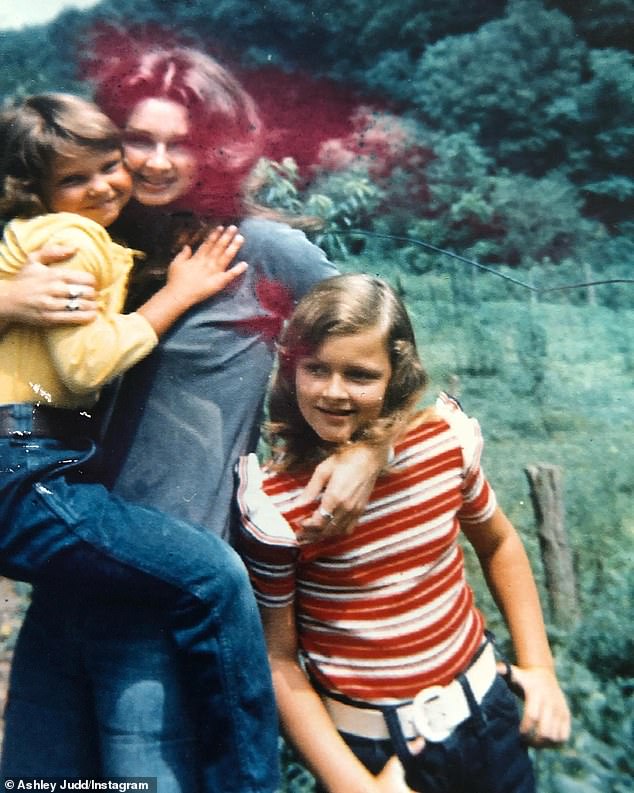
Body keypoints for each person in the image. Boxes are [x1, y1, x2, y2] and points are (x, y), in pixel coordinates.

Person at [1, 40, 385, 788]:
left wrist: (366, 444)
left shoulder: (259, 248)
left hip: (160, 593)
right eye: (137, 139)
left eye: (180, 142)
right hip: (68, 569)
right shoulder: (88, 232)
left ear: (218, 146)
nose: (152, 160)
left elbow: (384, 343)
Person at [0, 92, 279, 793]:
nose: (105, 185)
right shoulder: (73, 240)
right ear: (39, 190)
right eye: (76, 178)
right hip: (27, 466)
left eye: (106, 165)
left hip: (33, 461)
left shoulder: (31, 234)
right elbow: (83, 366)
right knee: (213, 576)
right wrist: (176, 295)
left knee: (48, 753)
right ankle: (248, 783)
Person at [236, 273, 572, 793]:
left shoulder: (441, 446)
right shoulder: (275, 505)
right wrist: (354, 786)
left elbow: (500, 542)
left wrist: (540, 667)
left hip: (489, 718)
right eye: (316, 369)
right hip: (373, 754)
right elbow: (278, 660)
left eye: (361, 375)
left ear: (397, 375)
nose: (334, 391)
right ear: (289, 369)